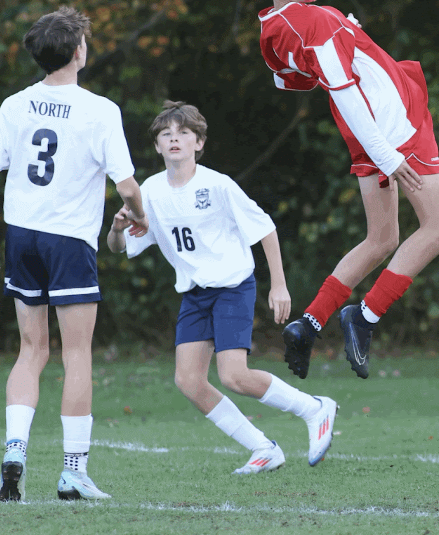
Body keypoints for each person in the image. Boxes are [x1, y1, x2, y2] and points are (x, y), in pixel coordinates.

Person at [242, 0, 439, 381]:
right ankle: (366, 315)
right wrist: (387, 153)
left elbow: (290, 80)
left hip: (364, 132)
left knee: (381, 238)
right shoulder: (310, 21)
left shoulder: (272, 28)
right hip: (394, 125)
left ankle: (309, 322)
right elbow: (341, 86)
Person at [105, 101, 338, 474]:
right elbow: (120, 248)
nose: (174, 139)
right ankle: (263, 448)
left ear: (199, 142)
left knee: (233, 375)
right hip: (195, 293)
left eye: (183, 133)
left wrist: (279, 285)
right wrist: (117, 228)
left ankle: (315, 409)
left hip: (232, 287)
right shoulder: (147, 191)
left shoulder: (217, 185)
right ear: (157, 146)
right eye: (166, 134)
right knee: (188, 380)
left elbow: (265, 228)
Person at [1, 7, 148, 501]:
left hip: (21, 233)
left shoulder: (14, 104)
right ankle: (72, 472)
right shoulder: (99, 110)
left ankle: (14, 451)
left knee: (31, 350)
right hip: (68, 239)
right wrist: (138, 213)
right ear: (78, 52)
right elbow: (126, 184)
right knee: (77, 352)